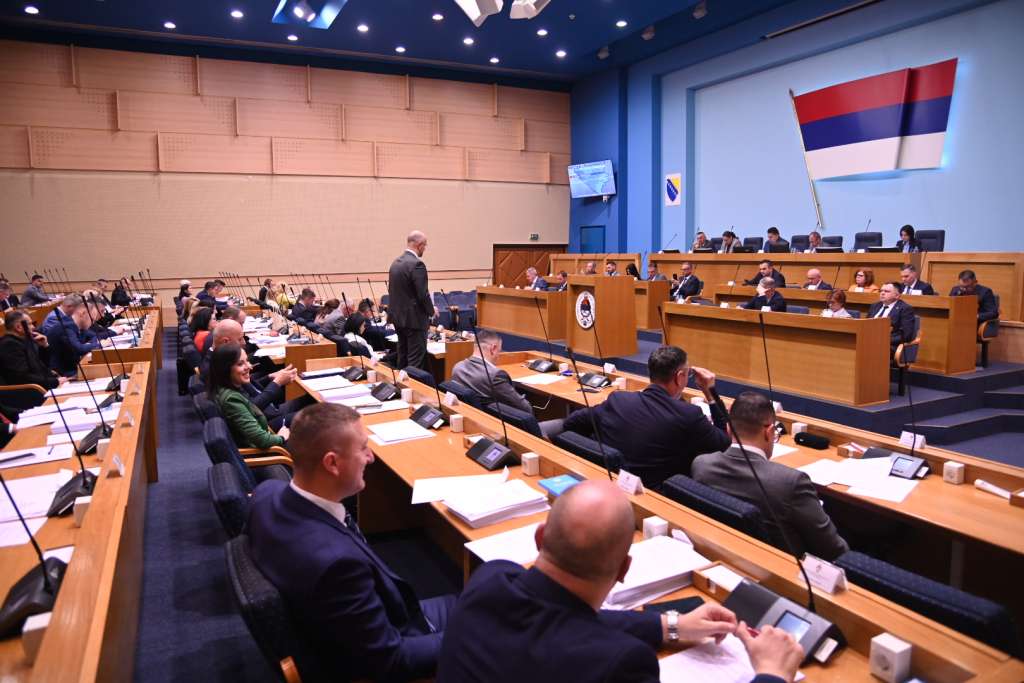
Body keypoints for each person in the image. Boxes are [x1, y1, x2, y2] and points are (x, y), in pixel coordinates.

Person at [436, 479, 802, 683]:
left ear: (540, 537)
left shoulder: (491, 578)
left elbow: (561, 616)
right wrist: (772, 674)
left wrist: (671, 626)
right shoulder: (619, 664)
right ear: (624, 569)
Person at [248, 402, 456, 682]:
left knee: (485, 597)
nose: (371, 457)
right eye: (363, 448)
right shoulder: (337, 565)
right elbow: (391, 660)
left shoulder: (266, 494)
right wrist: (474, 638)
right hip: (394, 638)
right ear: (332, 463)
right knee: (500, 619)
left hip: (366, 618)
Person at [693, 392, 850, 561]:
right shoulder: (791, 483)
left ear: (729, 429)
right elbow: (834, 551)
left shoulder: (702, 465)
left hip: (722, 555)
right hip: (785, 570)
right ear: (769, 432)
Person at [557, 346, 729, 488]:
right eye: (687, 374)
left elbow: (572, 422)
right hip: (658, 500)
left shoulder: (618, 399)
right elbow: (724, 444)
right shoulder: (689, 415)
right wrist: (710, 393)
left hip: (609, 484)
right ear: (679, 377)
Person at [208, 343, 289, 449]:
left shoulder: (226, 388)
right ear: (225, 369)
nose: (249, 367)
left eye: (247, 361)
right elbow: (263, 440)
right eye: (240, 364)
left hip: (264, 438)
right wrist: (282, 437)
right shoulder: (231, 399)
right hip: (268, 452)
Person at [452, 329, 534, 416]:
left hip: (470, 416)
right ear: (493, 348)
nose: (499, 355)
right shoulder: (495, 376)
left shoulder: (458, 367)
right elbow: (526, 409)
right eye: (499, 351)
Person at [388, 230, 435, 370]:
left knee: (402, 356)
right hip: (414, 321)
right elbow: (422, 294)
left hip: (398, 319)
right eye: (425, 245)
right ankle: (413, 384)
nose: (425, 249)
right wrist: (431, 311)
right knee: (415, 363)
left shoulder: (395, 263)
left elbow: (392, 291)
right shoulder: (417, 264)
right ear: (419, 245)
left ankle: (400, 383)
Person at [0, 310, 66, 389]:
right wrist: (55, 382)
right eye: (30, 324)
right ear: (18, 327)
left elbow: (42, 365)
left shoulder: (25, 340)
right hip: (29, 390)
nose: (33, 327)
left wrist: (44, 346)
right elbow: (23, 377)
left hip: (40, 385)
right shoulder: (9, 345)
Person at [41, 294, 99, 377]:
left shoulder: (76, 324)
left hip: (73, 367)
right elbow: (79, 349)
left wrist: (90, 344)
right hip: (62, 374)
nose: (92, 323)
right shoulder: (66, 326)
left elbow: (93, 335)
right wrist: (98, 344)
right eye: (92, 319)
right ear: (82, 313)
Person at [868, 283, 916, 358]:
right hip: (870, 341)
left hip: (890, 345)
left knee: (871, 350)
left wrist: (883, 340)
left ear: (897, 296)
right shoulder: (875, 306)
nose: (882, 293)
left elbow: (906, 335)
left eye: (887, 291)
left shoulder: (905, 309)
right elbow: (866, 324)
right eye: (881, 291)